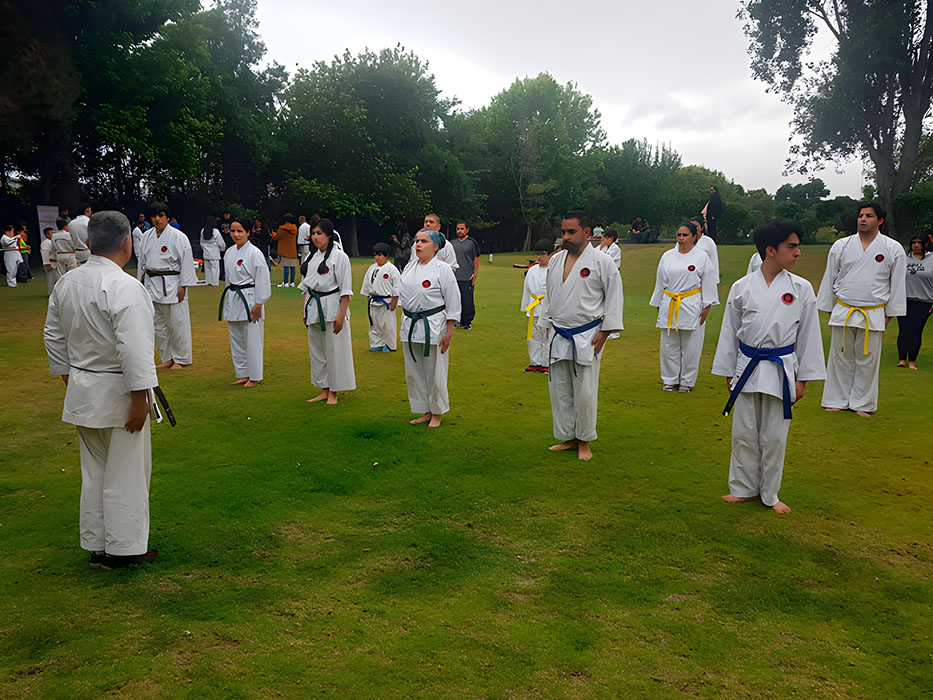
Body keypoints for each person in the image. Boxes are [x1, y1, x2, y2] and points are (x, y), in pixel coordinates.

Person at [43, 210, 159, 567]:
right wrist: (139, 397)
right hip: (119, 391)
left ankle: (97, 544)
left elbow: (53, 336)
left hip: (84, 387)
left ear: (89, 242)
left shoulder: (67, 282)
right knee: (126, 473)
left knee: (95, 471)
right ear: (127, 243)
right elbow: (134, 347)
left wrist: (71, 379)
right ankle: (124, 549)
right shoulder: (125, 286)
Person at [712, 218, 825, 514]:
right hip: (747, 366)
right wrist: (728, 372)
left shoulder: (801, 288)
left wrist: (802, 379)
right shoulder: (741, 287)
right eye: (792, 246)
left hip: (781, 368)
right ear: (771, 250)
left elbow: (809, 336)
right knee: (744, 433)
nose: (798, 252)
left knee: (774, 436)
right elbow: (729, 332)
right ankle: (743, 488)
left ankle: (770, 494)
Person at [539, 210, 623, 461]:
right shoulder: (556, 260)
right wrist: (545, 324)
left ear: (587, 232)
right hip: (558, 333)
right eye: (563, 232)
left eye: (571, 232)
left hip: (587, 335)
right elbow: (549, 295)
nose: (565, 237)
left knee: (585, 391)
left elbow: (614, 297)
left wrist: (605, 331)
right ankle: (568, 437)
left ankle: (584, 439)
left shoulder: (602, 261)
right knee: (561, 390)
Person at [817, 202, 907, 417]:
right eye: (861, 216)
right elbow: (830, 276)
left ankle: (862, 403)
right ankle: (836, 399)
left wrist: (890, 313)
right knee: (840, 356)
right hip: (844, 308)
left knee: (868, 360)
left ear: (880, 220)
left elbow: (897, 283)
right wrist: (829, 307)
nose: (863, 219)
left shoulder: (893, 248)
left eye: (869, 216)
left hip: (873, 311)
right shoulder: (841, 245)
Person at [399, 228, 461, 428]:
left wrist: (450, 331)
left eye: (424, 241)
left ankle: (437, 412)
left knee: (435, 371)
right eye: (417, 240)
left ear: (435, 247)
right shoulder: (410, 266)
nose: (418, 244)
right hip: (410, 323)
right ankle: (425, 410)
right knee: (415, 371)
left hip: (433, 324)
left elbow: (453, 300)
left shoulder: (443, 269)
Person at [650, 221, 718, 392]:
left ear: (694, 237)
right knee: (669, 345)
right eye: (679, 235)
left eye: (685, 235)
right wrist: (658, 303)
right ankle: (670, 379)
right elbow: (660, 282)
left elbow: (708, 282)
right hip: (669, 302)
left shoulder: (701, 257)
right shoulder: (667, 256)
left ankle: (687, 381)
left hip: (692, 303)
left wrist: (707, 305)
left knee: (691, 346)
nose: (681, 238)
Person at [298, 218, 355, 404]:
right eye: (313, 234)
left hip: (332, 307)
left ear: (329, 235)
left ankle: (334, 391)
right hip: (313, 307)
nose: (316, 237)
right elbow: (305, 288)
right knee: (318, 352)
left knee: (334, 351)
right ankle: (324, 388)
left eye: (319, 233)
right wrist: (305, 312)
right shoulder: (310, 257)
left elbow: (345, 290)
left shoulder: (340, 257)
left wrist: (341, 315)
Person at [136, 202, 198, 370]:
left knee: (177, 323)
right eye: (154, 216)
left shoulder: (178, 237)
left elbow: (186, 261)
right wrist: (140, 283)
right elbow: (142, 262)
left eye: (161, 215)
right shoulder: (146, 236)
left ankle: (181, 358)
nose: (158, 219)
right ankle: (167, 357)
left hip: (172, 284)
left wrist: (183, 285)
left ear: (167, 217)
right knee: (158, 325)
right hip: (151, 282)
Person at [219, 218, 271, 386]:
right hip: (234, 296)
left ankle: (255, 376)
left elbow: (263, 279)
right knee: (237, 338)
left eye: (240, 231)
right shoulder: (229, 252)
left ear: (248, 232)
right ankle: (242, 373)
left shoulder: (254, 253)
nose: (236, 234)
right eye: (233, 231)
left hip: (250, 298)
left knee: (252, 339)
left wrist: (259, 303)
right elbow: (228, 279)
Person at [896, 236, 933, 370]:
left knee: (916, 331)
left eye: (919, 243)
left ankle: (912, 361)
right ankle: (902, 359)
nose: (916, 245)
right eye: (914, 243)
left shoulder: (931, 259)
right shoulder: (904, 259)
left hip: (924, 301)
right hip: (904, 300)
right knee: (904, 330)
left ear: (925, 244)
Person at [521, 239, 554, 373]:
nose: (539, 257)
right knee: (534, 336)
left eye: (542, 254)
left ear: (550, 254)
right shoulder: (532, 270)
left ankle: (547, 363)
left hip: (548, 307)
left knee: (547, 336)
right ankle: (535, 362)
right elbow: (526, 289)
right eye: (537, 254)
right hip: (534, 307)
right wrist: (525, 307)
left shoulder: (554, 270)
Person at [360, 242, 401, 352]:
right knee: (374, 323)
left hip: (386, 301)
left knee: (387, 325)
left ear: (387, 256)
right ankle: (376, 343)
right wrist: (368, 298)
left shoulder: (392, 269)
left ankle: (389, 345)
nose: (377, 257)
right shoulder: (371, 268)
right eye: (375, 255)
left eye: (379, 255)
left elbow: (397, 287)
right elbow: (367, 285)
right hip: (373, 300)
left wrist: (394, 302)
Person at [451, 221, 481, 329]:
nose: (460, 231)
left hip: (467, 276)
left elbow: (476, 258)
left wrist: (475, 273)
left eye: (462, 229)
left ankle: (467, 322)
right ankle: (456, 320)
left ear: (467, 230)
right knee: (455, 300)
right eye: (458, 229)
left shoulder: (471, 243)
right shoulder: (452, 243)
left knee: (467, 300)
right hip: (454, 276)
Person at [689, 215, 720, 284]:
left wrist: (714, 280)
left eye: (696, 227)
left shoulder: (709, 242)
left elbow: (714, 261)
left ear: (702, 228)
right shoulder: (682, 241)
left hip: (704, 277)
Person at [199, 216, 226, 286]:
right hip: (214, 255)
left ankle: (208, 282)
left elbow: (201, 243)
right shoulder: (215, 231)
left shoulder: (203, 231)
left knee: (207, 270)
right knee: (215, 271)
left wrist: (205, 249)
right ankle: (214, 283)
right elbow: (221, 243)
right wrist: (222, 250)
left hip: (206, 254)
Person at [273, 213, 298, 287]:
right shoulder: (295, 228)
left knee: (286, 266)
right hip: (293, 250)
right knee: (292, 267)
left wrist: (273, 233)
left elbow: (276, 237)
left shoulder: (282, 228)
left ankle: (286, 282)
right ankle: (292, 282)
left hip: (284, 250)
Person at [40, 226, 60, 292]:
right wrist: (47, 264)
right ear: (47, 234)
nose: (54, 234)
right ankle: (53, 292)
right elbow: (45, 253)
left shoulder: (53, 241)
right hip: (51, 263)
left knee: (57, 278)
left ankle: (56, 292)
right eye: (52, 233)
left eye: (54, 232)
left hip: (56, 262)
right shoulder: (46, 243)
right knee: (52, 279)